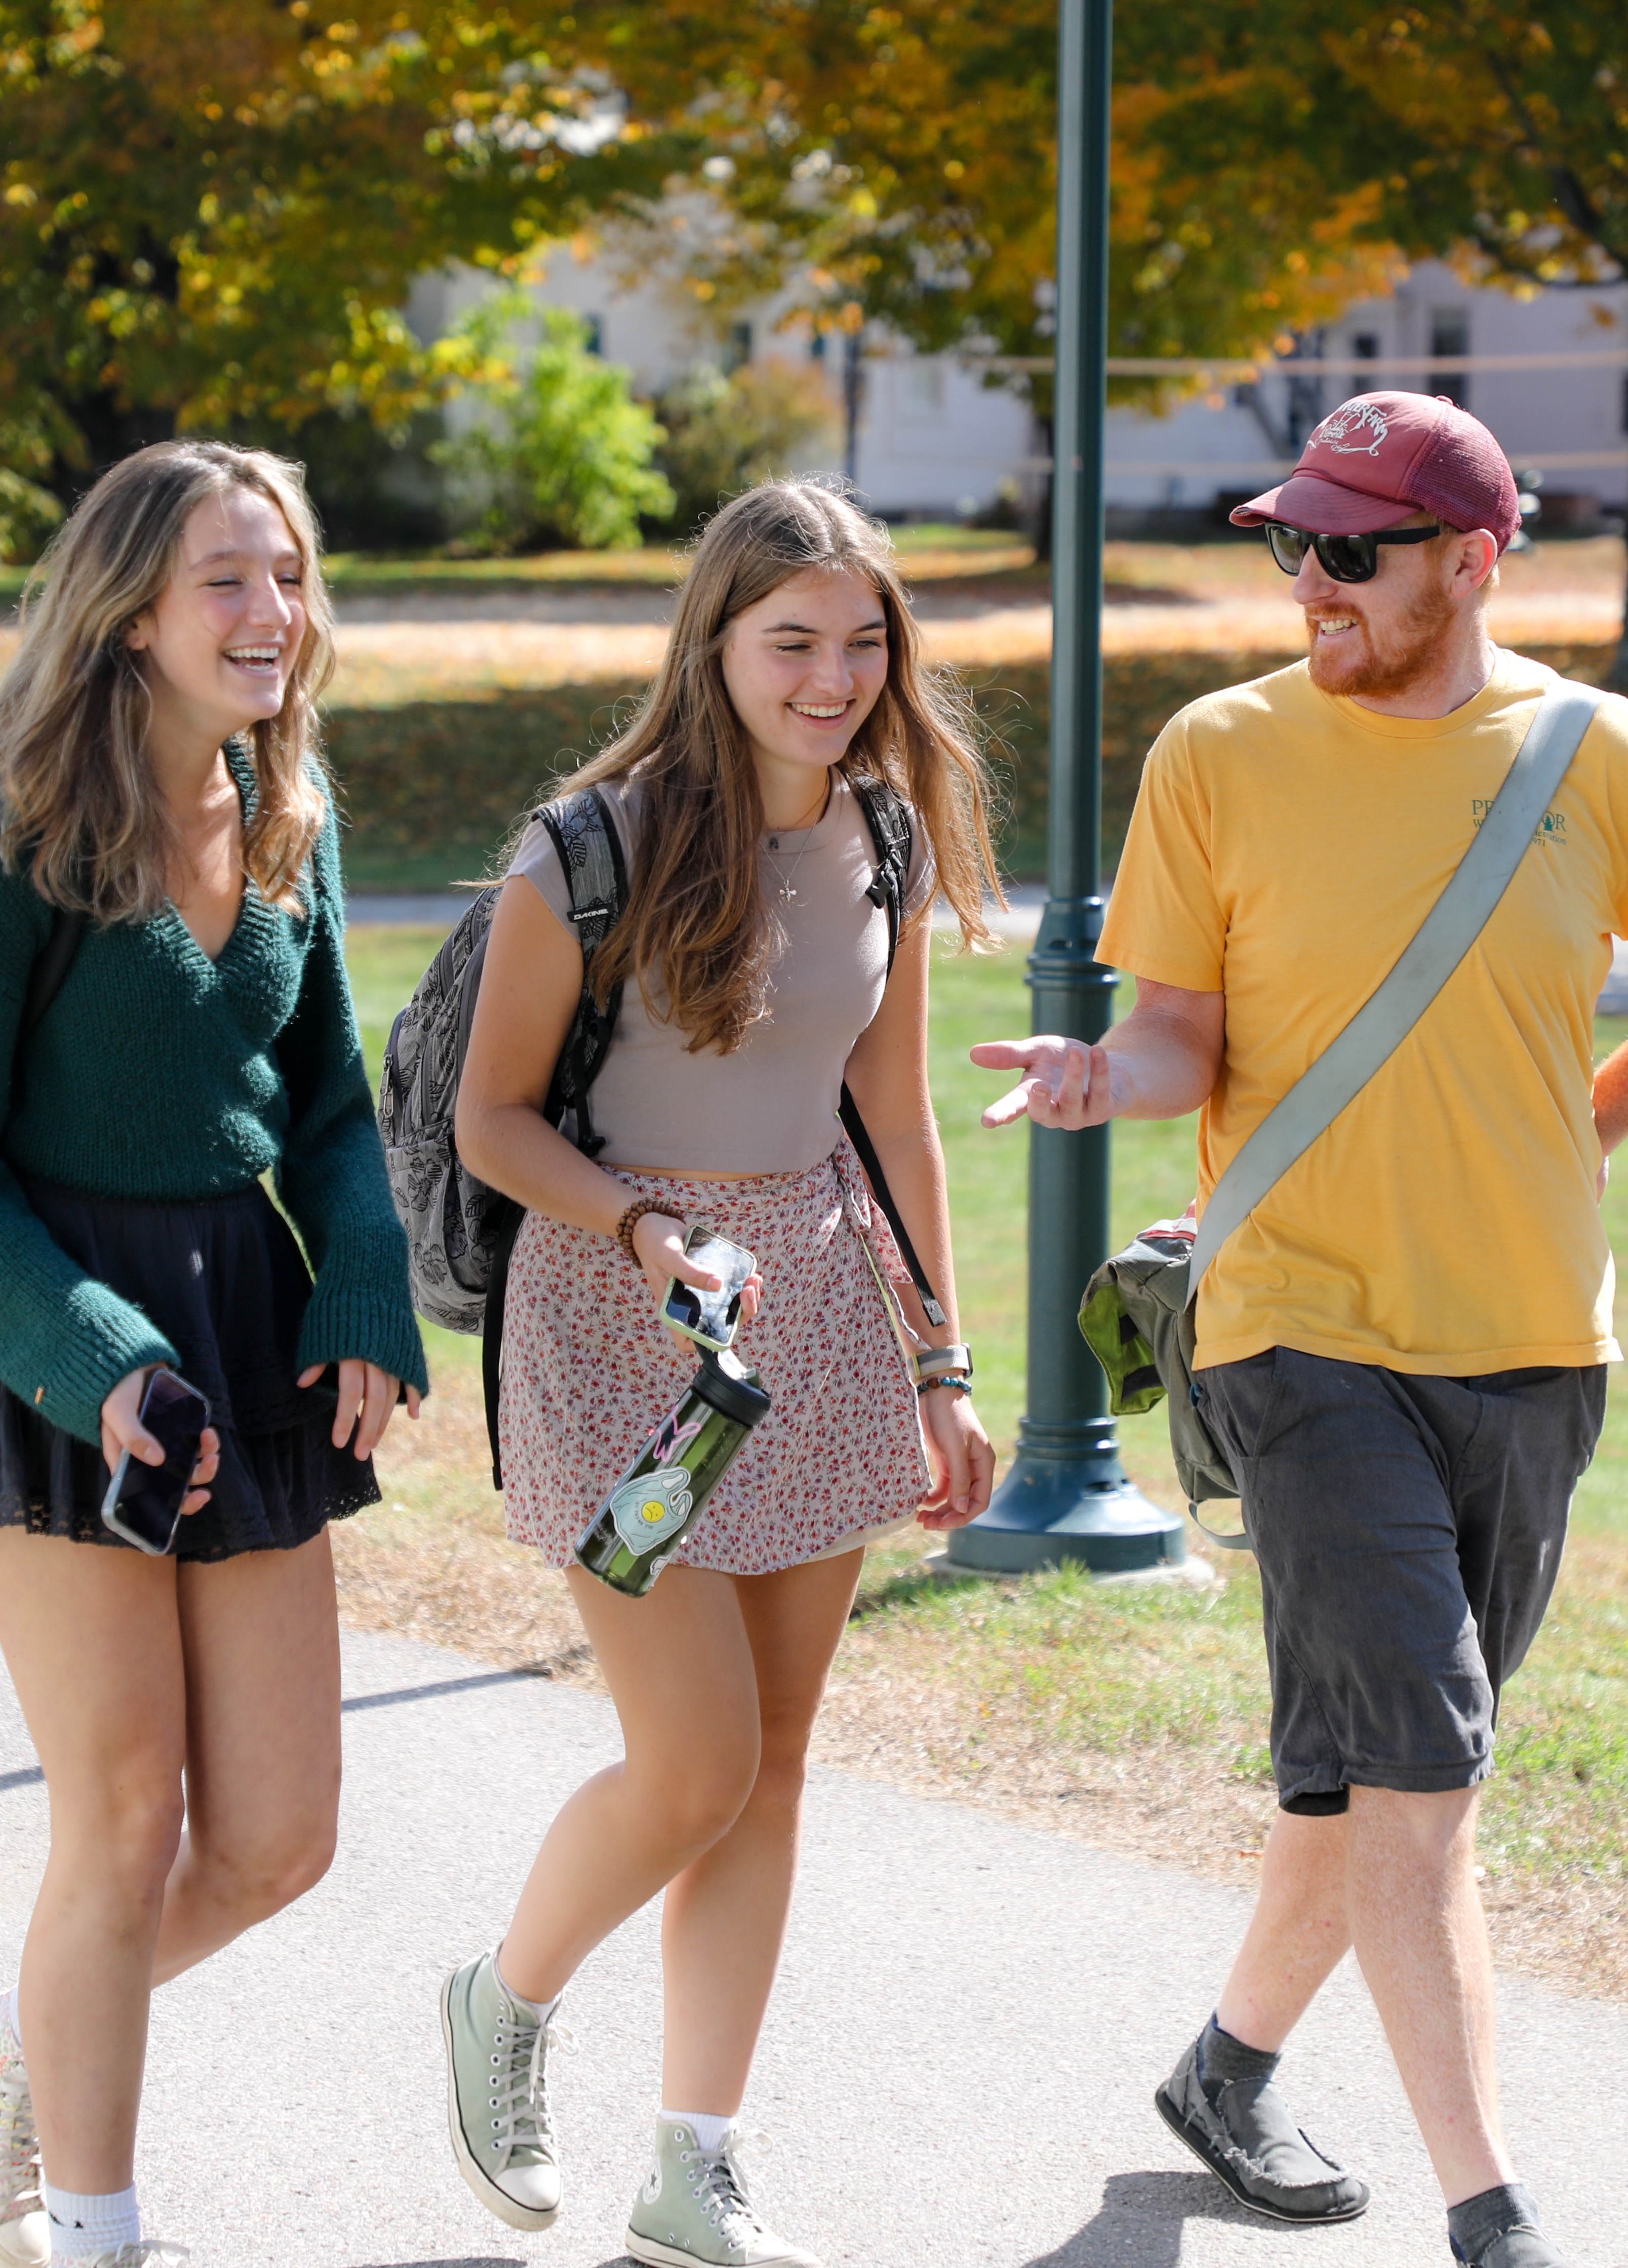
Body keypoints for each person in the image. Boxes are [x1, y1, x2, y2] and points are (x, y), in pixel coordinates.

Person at [974, 394, 1628, 2268]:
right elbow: (1183, 1036)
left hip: (1527, 1343)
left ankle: (1221, 2071)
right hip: (1294, 1331)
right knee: (1424, 1774)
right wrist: (1102, 1072)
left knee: (1369, 1772)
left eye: (1349, 551)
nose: (1309, 584)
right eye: (1292, 543)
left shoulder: (1594, 757)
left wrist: (1584, 1118)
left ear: (1467, 560)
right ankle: (1488, 2215)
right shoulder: (1217, 753)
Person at [0, 440, 428, 2268]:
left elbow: (334, 1106)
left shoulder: (291, 809)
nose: (272, 614)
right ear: (125, 612)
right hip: (42, 1343)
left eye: (286, 576)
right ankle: (87, 2227)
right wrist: (97, 1358)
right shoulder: (2, 841)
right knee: (121, 1813)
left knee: (274, 1840)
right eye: (226, 581)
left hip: (244, 1338)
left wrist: (357, 1283)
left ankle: (13, 2040)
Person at [441, 479, 1005, 2268]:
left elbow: (900, 1122)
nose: (834, 677)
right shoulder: (588, 848)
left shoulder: (891, 838)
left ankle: (697, 2159)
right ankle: (503, 1997)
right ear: (718, 643)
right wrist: (642, 1234)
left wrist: (943, 1361)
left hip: (823, 1317)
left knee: (772, 1771)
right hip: (621, 1328)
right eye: (793, 643)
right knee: (691, 1765)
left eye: (863, 642)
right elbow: (493, 1117)